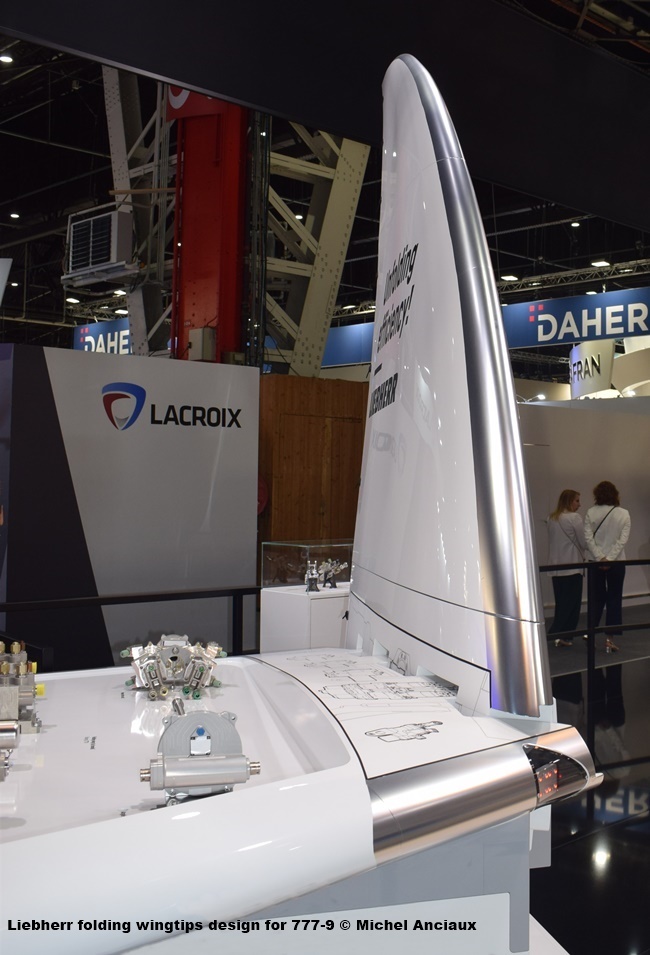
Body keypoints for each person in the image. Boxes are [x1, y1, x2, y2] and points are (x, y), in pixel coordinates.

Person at [584, 480, 631, 653]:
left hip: (595, 562)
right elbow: (622, 540)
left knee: (595, 598)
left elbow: (588, 539)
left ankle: (590, 633)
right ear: (615, 494)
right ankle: (610, 640)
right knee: (614, 598)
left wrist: (600, 557)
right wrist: (610, 558)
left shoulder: (590, 512)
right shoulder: (624, 514)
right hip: (617, 562)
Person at [547, 489, 586, 647]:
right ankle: (558, 633)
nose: (579, 504)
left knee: (561, 603)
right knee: (572, 605)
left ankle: (560, 636)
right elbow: (583, 542)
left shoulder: (551, 518)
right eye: (577, 500)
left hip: (555, 567)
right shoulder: (574, 518)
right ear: (570, 501)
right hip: (572, 566)